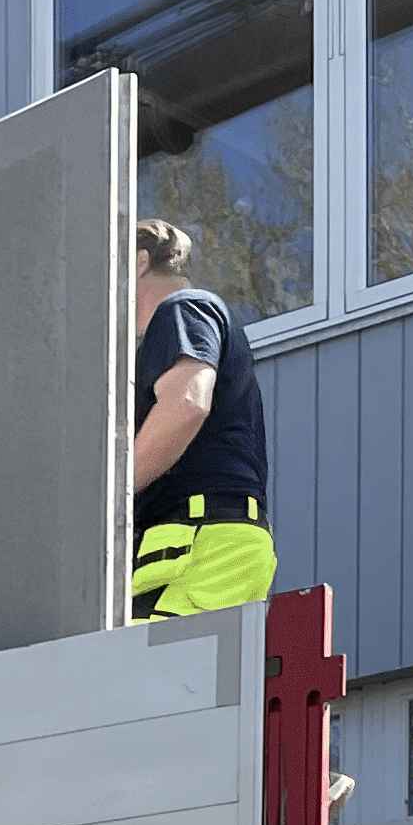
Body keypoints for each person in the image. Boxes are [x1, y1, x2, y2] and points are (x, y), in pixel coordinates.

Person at [128, 215, 274, 623]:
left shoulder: (184, 308)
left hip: (199, 540)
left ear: (140, 262)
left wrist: (109, 498)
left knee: (137, 678)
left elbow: (187, 403)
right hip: (195, 540)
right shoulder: (169, 330)